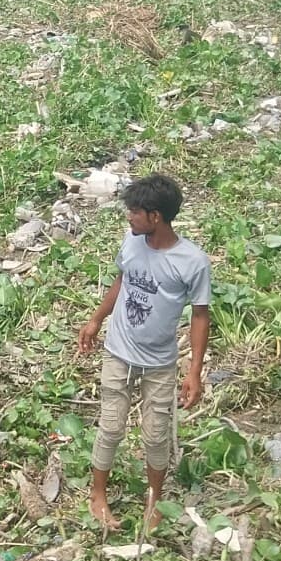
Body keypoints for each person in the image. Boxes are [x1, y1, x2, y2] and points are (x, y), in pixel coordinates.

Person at [76, 174, 211, 531]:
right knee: (110, 427)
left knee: (155, 435)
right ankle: (97, 495)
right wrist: (95, 320)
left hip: (160, 363)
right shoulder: (132, 241)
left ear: (156, 217)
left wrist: (194, 372)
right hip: (118, 352)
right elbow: (122, 280)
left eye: (135, 212)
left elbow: (200, 315)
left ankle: (154, 500)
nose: (129, 217)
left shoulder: (192, 262)